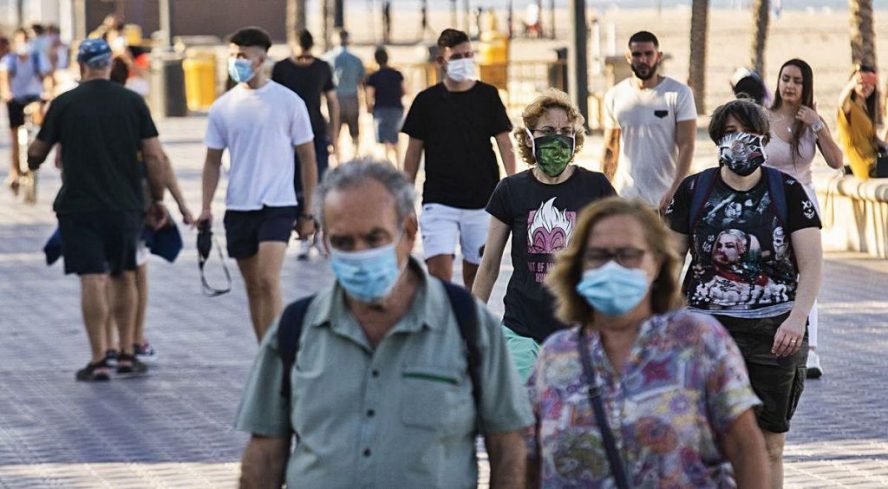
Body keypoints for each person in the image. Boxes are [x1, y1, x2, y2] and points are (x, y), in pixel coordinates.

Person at [235, 160, 532, 488]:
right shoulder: (295, 330)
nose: (359, 253)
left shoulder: (469, 327)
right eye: (344, 242)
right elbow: (264, 456)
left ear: (408, 232)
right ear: (326, 244)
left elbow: (508, 448)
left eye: (374, 239)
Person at [528, 197, 768, 487]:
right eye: (597, 255)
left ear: (657, 263)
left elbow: (745, 447)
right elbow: (530, 458)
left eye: (628, 254)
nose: (612, 267)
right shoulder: (555, 355)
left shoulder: (697, 341)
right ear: (577, 266)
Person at [666, 99, 822, 489]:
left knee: (769, 445)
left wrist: (797, 319)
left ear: (764, 141)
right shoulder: (695, 190)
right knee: (708, 443)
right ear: (718, 139)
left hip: (775, 336)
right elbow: (667, 264)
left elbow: (813, 265)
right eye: (731, 133)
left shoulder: (787, 190)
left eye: (749, 134)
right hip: (706, 334)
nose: (740, 142)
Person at [26, 39, 168, 381]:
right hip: (125, 205)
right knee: (124, 275)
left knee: (92, 278)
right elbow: (154, 155)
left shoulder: (64, 104)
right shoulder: (133, 102)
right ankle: (125, 353)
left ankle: (98, 358)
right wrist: (158, 198)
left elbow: (36, 155)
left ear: (81, 66)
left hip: (79, 205)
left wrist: (34, 151)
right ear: (108, 64)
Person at [471, 89, 615, 380]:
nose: (557, 138)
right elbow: (489, 266)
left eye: (565, 130)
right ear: (528, 137)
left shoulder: (596, 187)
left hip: (580, 329)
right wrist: (469, 320)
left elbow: (623, 252)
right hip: (522, 327)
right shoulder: (510, 190)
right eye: (548, 130)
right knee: (522, 409)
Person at [199, 27, 317, 342]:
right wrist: (205, 206)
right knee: (252, 287)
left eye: (242, 56)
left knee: (268, 280)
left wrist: (309, 211)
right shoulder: (223, 107)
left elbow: (308, 158)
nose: (236, 61)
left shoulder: (288, 102)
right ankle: (264, 349)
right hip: (239, 205)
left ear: (261, 59)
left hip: (278, 204)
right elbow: (212, 161)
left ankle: (278, 351)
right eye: (233, 55)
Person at [402, 28, 515, 290]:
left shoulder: (488, 96)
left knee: (475, 279)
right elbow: (412, 155)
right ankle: (444, 325)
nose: (464, 61)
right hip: (438, 201)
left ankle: (470, 328)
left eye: (468, 55)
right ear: (441, 61)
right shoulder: (426, 101)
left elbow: (505, 144)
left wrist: (513, 188)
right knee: (438, 273)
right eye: (456, 57)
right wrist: (405, 200)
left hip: (482, 202)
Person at [765, 58, 843, 380]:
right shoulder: (763, 118)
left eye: (797, 80)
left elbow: (837, 160)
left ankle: (812, 351)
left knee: (807, 274)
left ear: (805, 86)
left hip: (802, 206)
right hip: (769, 203)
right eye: (785, 78)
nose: (790, 85)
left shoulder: (811, 121)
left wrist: (817, 124)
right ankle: (773, 338)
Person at [601, 30, 696, 211]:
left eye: (648, 54)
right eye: (637, 54)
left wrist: (675, 189)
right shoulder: (615, 95)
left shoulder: (679, 93)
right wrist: (604, 191)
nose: (643, 60)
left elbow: (687, 145)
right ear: (628, 57)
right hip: (626, 198)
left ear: (658, 56)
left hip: (665, 198)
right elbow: (610, 147)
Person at [272, 29, 338, 261]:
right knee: (312, 184)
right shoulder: (321, 67)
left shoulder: (282, 68)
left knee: (307, 185)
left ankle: (312, 235)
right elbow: (332, 102)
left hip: (306, 134)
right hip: (310, 133)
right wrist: (334, 134)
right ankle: (309, 235)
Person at [2, 27, 51, 192]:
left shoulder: (38, 58)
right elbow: (4, 78)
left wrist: (47, 91)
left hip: (33, 97)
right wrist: (6, 92)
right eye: (21, 41)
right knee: (15, 137)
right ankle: (14, 171)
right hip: (15, 98)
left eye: (27, 41)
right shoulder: (9, 60)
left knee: (39, 120)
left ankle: (37, 143)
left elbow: (47, 77)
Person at [837, 65, 888, 180]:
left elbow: (873, 139)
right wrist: (851, 85)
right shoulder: (849, 107)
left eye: (871, 83)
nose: (867, 86)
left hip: (876, 161)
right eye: (862, 82)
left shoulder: (865, 109)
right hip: (866, 165)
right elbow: (841, 103)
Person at [323, 30, 365, 158]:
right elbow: (361, 80)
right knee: (354, 131)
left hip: (335, 99)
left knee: (335, 131)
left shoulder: (327, 59)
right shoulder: (356, 59)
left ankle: (337, 159)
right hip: (352, 98)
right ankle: (355, 156)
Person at [364, 46, 405, 165]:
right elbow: (405, 90)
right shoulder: (397, 74)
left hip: (380, 109)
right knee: (395, 136)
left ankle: (388, 163)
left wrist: (369, 108)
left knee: (385, 138)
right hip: (396, 108)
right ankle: (398, 162)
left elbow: (369, 95)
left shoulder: (373, 77)